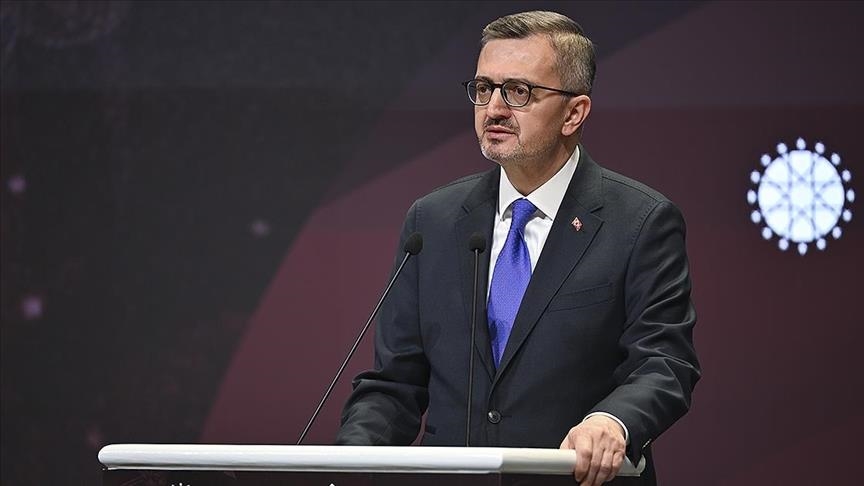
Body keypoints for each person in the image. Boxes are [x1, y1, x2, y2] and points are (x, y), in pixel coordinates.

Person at [336, 10, 700, 486]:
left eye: (518, 92)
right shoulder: (433, 221)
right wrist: (349, 462)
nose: (494, 109)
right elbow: (394, 384)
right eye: (484, 88)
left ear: (574, 113)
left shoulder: (640, 221)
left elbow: (664, 361)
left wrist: (612, 421)